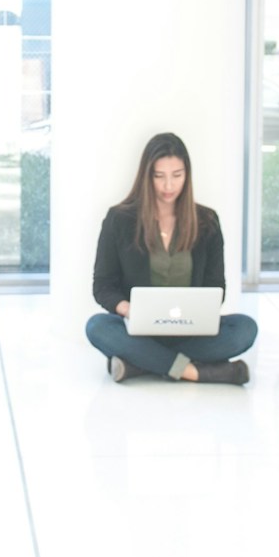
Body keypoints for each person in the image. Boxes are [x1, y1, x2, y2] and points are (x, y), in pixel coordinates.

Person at [86, 131, 258, 385]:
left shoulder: (207, 221)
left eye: (177, 176)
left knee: (244, 329)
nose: (169, 186)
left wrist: (199, 313)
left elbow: (216, 287)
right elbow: (103, 286)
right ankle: (196, 372)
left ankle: (139, 364)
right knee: (97, 327)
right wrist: (131, 311)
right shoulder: (119, 219)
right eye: (159, 176)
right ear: (147, 177)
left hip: (190, 331)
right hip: (139, 331)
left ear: (187, 176)